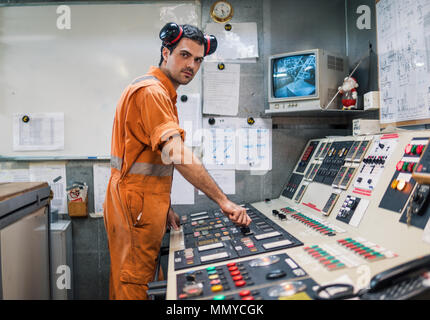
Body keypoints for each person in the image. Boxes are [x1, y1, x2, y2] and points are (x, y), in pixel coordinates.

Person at [103, 23, 252, 300]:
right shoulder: (152, 92)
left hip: (141, 202)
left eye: (197, 60)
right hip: (135, 204)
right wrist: (224, 201)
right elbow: (175, 152)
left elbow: (146, 158)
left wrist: (165, 206)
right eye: (184, 55)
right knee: (134, 284)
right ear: (165, 52)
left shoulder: (160, 91)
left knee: (138, 276)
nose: (191, 65)